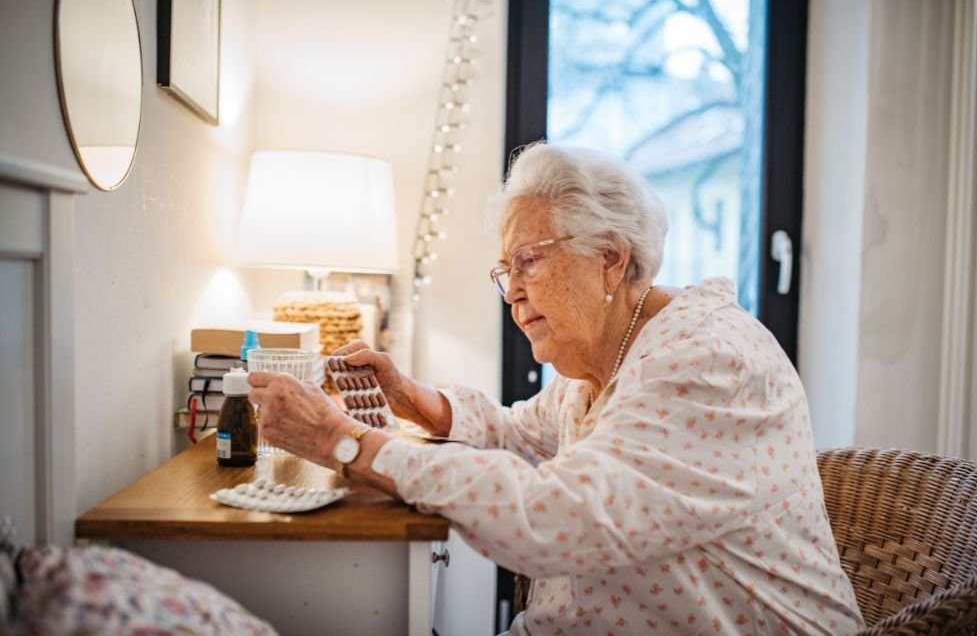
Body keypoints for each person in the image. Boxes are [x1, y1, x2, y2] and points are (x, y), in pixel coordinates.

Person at [248, 143, 864, 635]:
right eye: (506, 270)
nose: (512, 291)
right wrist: (411, 398)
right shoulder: (603, 362)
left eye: (529, 261)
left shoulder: (707, 364)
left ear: (610, 258)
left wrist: (343, 441)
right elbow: (518, 433)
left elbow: (556, 518)